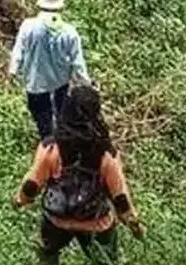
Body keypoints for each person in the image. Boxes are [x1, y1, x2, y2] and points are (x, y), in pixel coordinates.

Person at [12, 84, 145, 264]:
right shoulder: (106, 154)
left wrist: (20, 200)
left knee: (48, 254)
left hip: (57, 220)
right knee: (104, 261)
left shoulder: (51, 147)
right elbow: (119, 196)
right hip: (96, 224)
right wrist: (132, 223)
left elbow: (32, 184)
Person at [8, 0, 89, 139]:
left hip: (35, 83)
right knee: (61, 114)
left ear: (40, 3)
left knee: (42, 117)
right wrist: (86, 83)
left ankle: (47, 143)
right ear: (61, 5)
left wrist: (13, 71)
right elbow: (77, 63)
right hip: (60, 83)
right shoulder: (70, 31)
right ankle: (61, 141)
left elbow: (19, 50)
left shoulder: (28, 26)